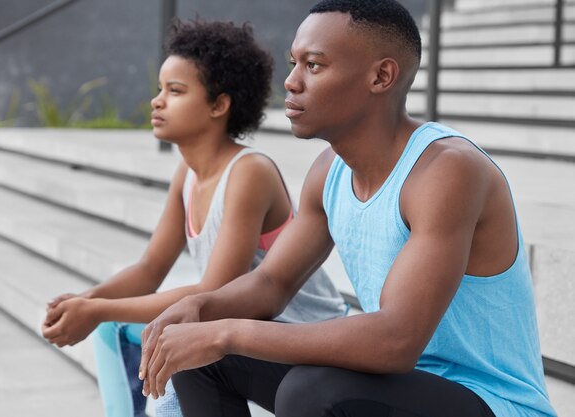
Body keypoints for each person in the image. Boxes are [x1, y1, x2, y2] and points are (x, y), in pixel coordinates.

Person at [138, 1, 558, 417]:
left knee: (311, 391)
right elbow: (271, 282)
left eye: (314, 66)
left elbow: (395, 340)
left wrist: (229, 332)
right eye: (293, 63)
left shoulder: (446, 171)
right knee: (197, 352)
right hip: (397, 388)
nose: (291, 82)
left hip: (490, 402)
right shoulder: (329, 173)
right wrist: (203, 310)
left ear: (381, 76)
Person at [40, 19, 347, 417]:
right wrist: (86, 300)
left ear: (219, 105)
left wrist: (98, 308)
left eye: (175, 91)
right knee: (112, 328)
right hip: (233, 322)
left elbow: (215, 289)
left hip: (297, 333)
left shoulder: (248, 172)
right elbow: (151, 268)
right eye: (159, 89)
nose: (157, 101)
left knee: (172, 349)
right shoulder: (187, 174)